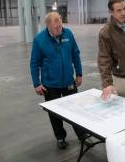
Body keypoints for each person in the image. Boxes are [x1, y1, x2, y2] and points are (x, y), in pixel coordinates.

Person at [30, 12, 87, 149]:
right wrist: (37, 84)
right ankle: (60, 137)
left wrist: (79, 74)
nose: (59, 27)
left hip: (68, 81)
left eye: (60, 22)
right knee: (54, 114)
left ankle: (82, 135)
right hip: (50, 85)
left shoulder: (68, 34)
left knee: (76, 110)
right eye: (56, 24)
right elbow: (34, 63)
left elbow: (75, 54)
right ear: (48, 25)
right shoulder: (39, 39)